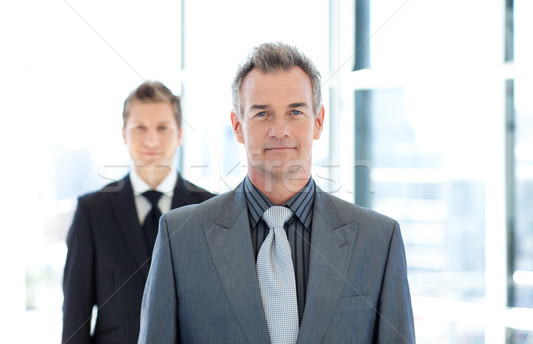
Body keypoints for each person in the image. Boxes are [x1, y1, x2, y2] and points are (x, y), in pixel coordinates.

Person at [138, 42, 415, 344]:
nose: (280, 129)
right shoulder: (180, 236)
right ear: (238, 126)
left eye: (295, 112)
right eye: (262, 114)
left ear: (318, 122)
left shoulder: (378, 239)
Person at [62, 81, 215, 344]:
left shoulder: (208, 209)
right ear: (124, 134)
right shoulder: (92, 212)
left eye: (162, 128)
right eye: (140, 128)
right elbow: (75, 318)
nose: (151, 139)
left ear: (179, 134)